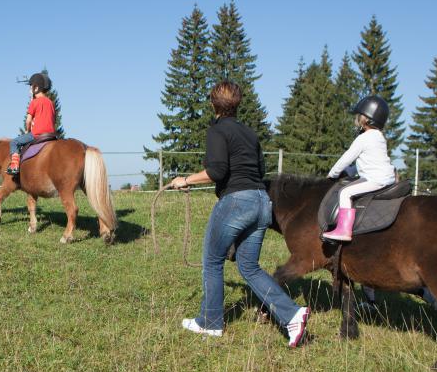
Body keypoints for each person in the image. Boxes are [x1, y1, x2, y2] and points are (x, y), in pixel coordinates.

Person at [168, 81, 310, 347]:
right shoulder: (249, 133)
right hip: (261, 202)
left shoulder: (217, 130)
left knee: (212, 261)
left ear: (213, 104)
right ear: (237, 104)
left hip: (236, 201)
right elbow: (259, 168)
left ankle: (210, 322)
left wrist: (184, 180)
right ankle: (292, 315)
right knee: (249, 266)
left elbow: (217, 171)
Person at [321, 95, 397, 242]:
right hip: (387, 178)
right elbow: (367, 162)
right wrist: (349, 172)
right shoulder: (379, 136)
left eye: (359, 116)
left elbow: (346, 158)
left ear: (367, 119)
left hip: (375, 179)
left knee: (345, 193)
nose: (356, 119)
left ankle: (343, 230)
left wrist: (332, 174)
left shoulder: (363, 138)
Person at [6, 72, 56, 175]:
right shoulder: (50, 103)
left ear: (36, 88)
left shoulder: (34, 102)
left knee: (14, 142)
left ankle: (15, 166)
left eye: (30, 87)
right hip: (51, 135)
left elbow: (28, 120)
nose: (29, 90)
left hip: (37, 134)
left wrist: (27, 130)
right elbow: (53, 119)